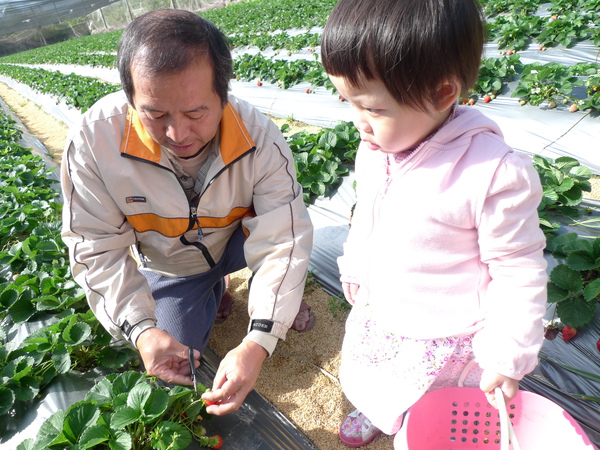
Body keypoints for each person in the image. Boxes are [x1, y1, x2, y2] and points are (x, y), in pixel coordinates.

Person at [61, 9, 314, 416]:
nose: (177, 134)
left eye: (196, 113)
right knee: (174, 365)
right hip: (172, 266)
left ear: (224, 94)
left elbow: (283, 237)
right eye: (155, 115)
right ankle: (211, 290)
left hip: (237, 240)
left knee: (282, 268)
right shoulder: (94, 142)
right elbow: (95, 248)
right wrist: (143, 332)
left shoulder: (259, 136)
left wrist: (260, 338)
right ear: (129, 98)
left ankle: (274, 304)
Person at [320, 0, 548, 447]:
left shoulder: (492, 174)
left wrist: (507, 354)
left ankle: (414, 420)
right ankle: (379, 409)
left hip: (443, 335)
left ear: (443, 94)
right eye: (348, 102)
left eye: (373, 108)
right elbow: (365, 214)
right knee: (377, 376)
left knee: (430, 399)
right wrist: (354, 266)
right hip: (382, 313)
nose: (358, 122)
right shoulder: (376, 150)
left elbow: (519, 271)